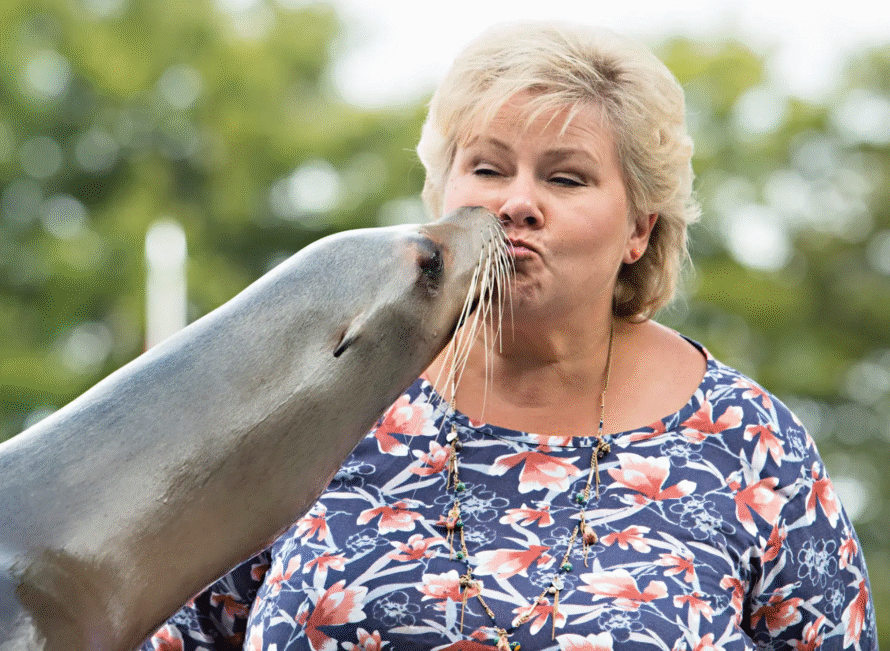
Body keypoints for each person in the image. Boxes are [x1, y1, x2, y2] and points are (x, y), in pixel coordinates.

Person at [141, 20, 877, 651]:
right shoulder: (312, 403)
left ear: (638, 229)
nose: (516, 203)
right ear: (441, 195)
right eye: (488, 167)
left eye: (567, 178)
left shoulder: (750, 443)